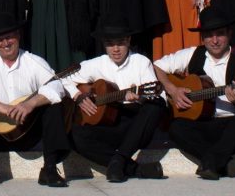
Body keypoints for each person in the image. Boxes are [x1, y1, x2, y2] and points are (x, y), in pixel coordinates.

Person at [154, 6, 235, 180]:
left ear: (229, 33)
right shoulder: (192, 54)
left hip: (231, 125)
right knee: (176, 127)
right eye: (208, 35)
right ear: (202, 37)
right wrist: (173, 90)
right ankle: (222, 163)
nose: (214, 40)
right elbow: (157, 66)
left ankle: (211, 162)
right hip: (202, 124)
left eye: (220, 34)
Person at [0, 13, 71, 188]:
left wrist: (30, 104)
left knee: (53, 105)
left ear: (18, 36)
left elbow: (57, 87)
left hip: (28, 131)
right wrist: (2, 107)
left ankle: (50, 169)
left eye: (9, 37)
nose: (5, 43)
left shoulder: (33, 61)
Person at [63, 21, 166, 182]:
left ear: (129, 41)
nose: (116, 49)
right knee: (75, 135)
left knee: (155, 106)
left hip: (134, 125)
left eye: (120, 43)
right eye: (110, 44)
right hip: (108, 123)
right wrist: (79, 96)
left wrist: (140, 98)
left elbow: (160, 97)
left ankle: (120, 158)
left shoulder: (141, 62)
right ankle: (134, 168)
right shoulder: (96, 64)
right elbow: (63, 80)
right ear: (104, 44)